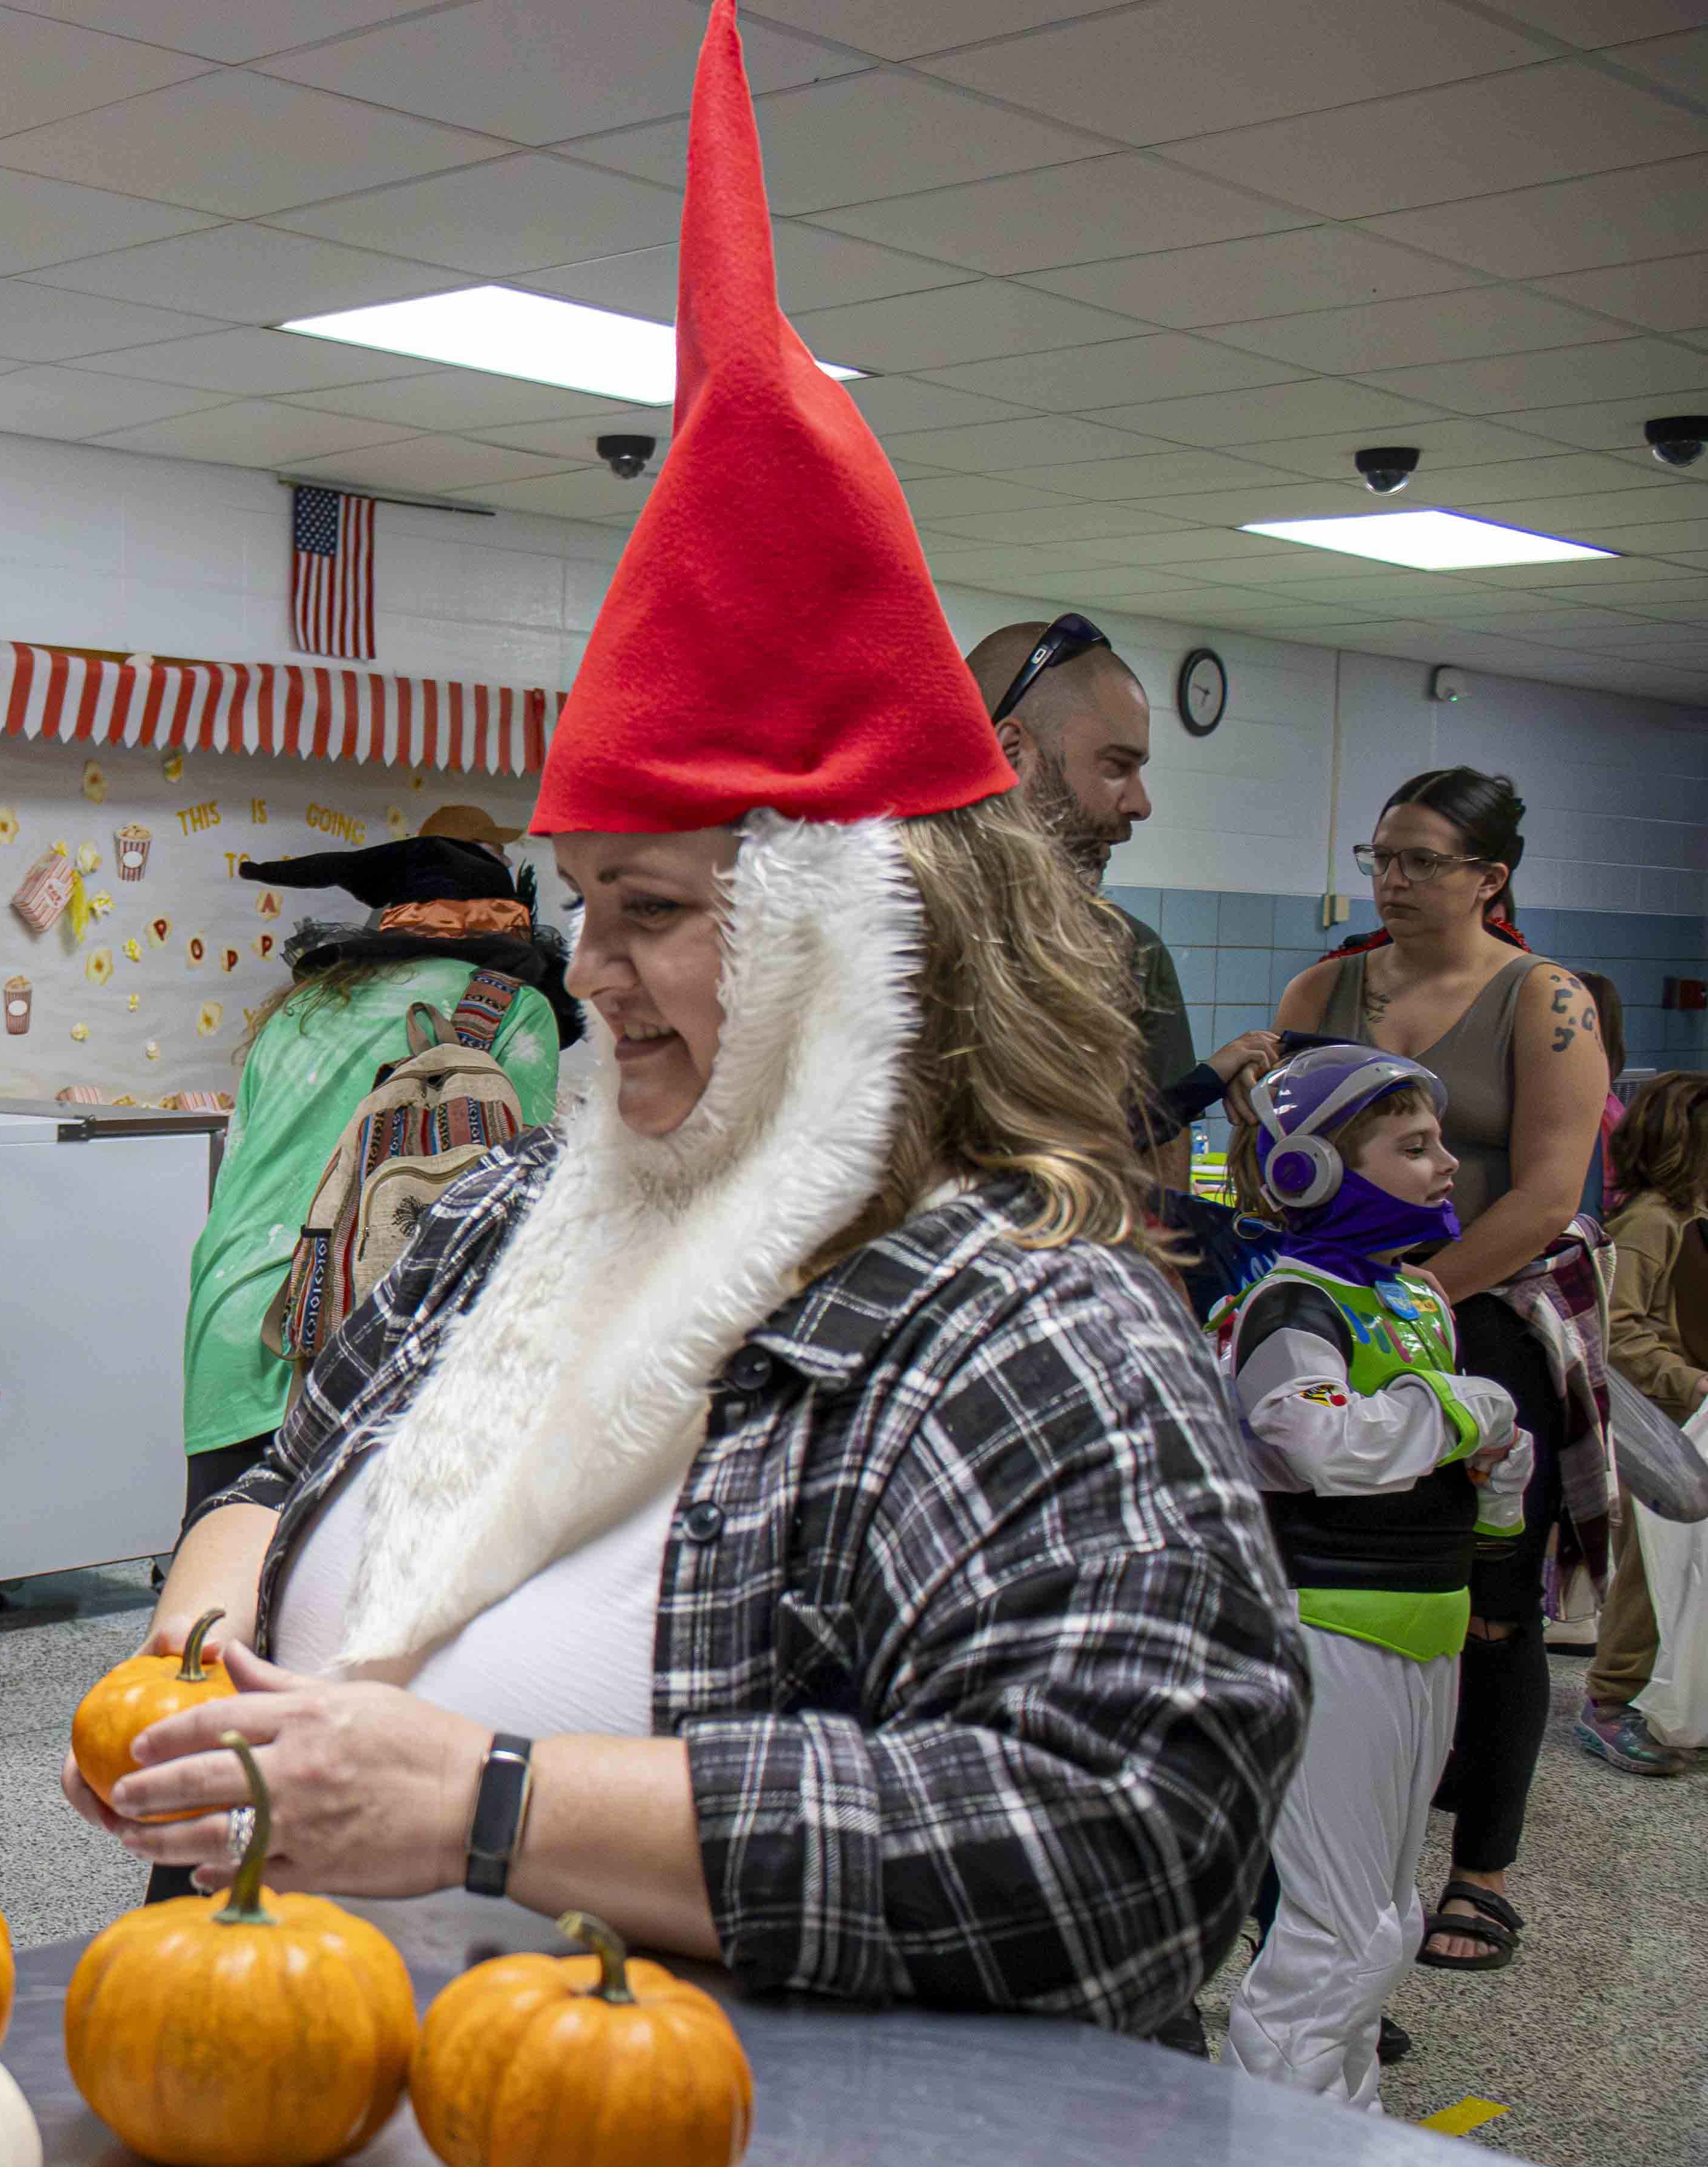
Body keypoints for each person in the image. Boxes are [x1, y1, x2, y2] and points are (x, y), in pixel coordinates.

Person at [63, 0, 1304, 2037]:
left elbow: (1136, 1844)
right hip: (374, 2139)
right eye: (586, 912)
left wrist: (494, 1806)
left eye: (653, 913)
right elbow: (292, 1472)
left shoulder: (1021, 1331)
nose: (593, 972)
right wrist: (212, 1611)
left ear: (856, 935)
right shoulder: (506, 1220)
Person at [1267, 769, 1613, 1972]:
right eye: (1382, 856)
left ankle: (1482, 1866)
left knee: (1495, 1609)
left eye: (1421, 859)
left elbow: (1549, 1190)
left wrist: (1426, 1292)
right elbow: (1268, 1149)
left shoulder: (1542, 1000)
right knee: (1350, 1581)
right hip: (1343, 1310)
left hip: (1485, 1310)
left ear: (1489, 877)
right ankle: (1351, 1854)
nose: (1393, 880)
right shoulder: (1327, 987)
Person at [1216, 1049, 1530, 2109]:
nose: (1448, 1164)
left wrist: (1494, 1466)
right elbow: (1307, 1442)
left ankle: (1337, 2152)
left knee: (1385, 1923)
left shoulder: (1411, 1299)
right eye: (1416, 1146)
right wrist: (1462, 1417)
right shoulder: (1291, 1306)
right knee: (1334, 1935)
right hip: (1326, 1632)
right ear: (1309, 1172)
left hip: (1422, 1625)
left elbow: (1450, 1454)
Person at [178, 808, 569, 1520]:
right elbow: (524, 1189)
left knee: (217, 1573)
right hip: (375, 1320)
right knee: (346, 1592)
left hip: (235, 1305)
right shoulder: (516, 1011)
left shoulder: (298, 1010)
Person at [967, 615, 1275, 1215]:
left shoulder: (1129, 951)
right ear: (1011, 753)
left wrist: (1203, 1083)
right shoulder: (878, 935)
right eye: (1115, 766)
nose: (1140, 804)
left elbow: (1157, 1178)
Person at [1584, 1072, 1705, 1775]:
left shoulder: (1690, 1214)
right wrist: (1690, 1381)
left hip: (1689, 1413)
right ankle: (1609, 1699)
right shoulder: (1653, 1221)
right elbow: (1620, 1334)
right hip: (1657, 1423)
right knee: (1650, 1569)